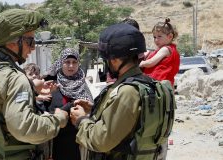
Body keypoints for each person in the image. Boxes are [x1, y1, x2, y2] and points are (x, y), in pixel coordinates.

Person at [0, 9, 68, 160]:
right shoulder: (14, 78)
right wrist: (57, 119)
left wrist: (32, 88)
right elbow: (24, 129)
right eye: (30, 41)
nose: (33, 47)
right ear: (13, 41)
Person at [70, 23, 173, 160]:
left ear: (115, 60)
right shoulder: (150, 85)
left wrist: (81, 120)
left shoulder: (127, 92)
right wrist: (95, 110)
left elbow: (102, 141)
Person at [45, 48, 93, 160]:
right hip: (55, 140)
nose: (71, 66)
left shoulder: (83, 84)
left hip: (78, 140)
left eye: (74, 62)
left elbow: (91, 110)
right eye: (67, 62)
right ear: (61, 63)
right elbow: (43, 109)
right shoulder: (51, 83)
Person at [140, 18, 180, 87]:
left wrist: (141, 63)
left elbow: (151, 62)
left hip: (157, 82)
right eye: (154, 37)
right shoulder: (171, 49)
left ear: (170, 36)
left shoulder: (165, 49)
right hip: (164, 84)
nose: (156, 40)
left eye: (159, 36)